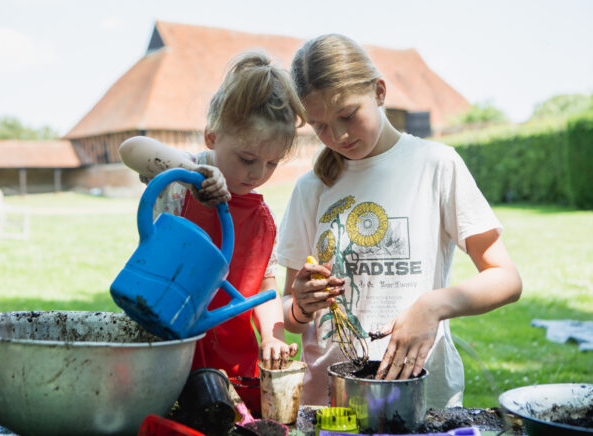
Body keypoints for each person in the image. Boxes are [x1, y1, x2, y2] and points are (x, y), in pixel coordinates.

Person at [277, 34, 522, 409]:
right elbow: (291, 316)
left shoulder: (437, 165)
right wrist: (301, 305)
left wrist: (434, 305)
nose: (338, 136)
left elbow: (506, 278)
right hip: (331, 402)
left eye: (347, 115)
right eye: (320, 126)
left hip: (421, 396)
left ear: (378, 92)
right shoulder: (310, 188)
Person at [118, 51, 305, 414]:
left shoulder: (262, 219)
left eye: (271, 163)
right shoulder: (179, 184)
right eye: (247, 159)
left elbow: (265, 286)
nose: (257, 174)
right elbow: (131, 149)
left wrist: (271, 335)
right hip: (164, 350)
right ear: (211, 136)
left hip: (231, 364)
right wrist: (193, 172)